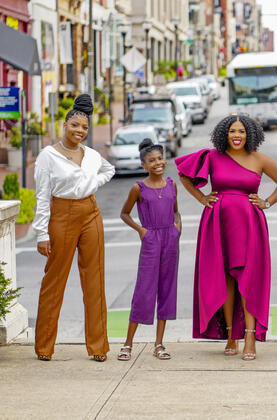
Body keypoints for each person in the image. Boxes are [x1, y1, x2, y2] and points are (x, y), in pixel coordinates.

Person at [175, 115, 277, 360]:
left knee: (248, 279)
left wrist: (267, 202)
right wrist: (201, 198)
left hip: (250, 224)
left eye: (241, 131)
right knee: (224, 278)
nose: (236, 135)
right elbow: (184, 174)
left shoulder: (259, 159)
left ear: (249, 134)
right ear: (224, 134)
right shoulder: (211, 156)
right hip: (216, 224)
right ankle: (230, 335)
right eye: (231, 131)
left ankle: (250, 337)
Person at [32, 94, 115, 362]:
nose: (79, 131)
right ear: (64, 125)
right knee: (54, 280)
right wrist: (42, 233)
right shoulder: (48, 156)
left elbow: (109, 169)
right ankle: (44, 346)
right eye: (75, 125)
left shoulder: (91, 155)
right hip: (62, 214)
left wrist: (95, 184)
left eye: (84, 127)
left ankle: (99, 346)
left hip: (91, 212)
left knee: (95, 279)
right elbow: (42, 196)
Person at [117, 139, 181, 361]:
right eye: (152, 160)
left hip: (170, 239)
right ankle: (128, 344)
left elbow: (176, 212)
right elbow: (124, 213)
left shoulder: (172, 184)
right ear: (144, 165)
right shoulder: (138, 188)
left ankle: (159, 344)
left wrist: (177, 227)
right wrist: (141, 230)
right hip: (151, 239)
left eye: (160, 158)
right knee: (144, 290)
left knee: (166, 290)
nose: (158, 163)